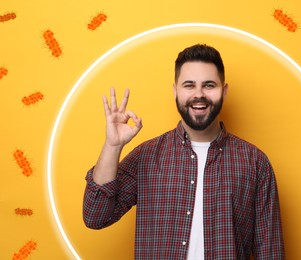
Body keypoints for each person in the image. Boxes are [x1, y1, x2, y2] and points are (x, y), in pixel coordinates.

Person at [83, 43, 285, 259]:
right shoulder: (147, 156)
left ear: (224, 91)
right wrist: (113, 146)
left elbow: (270, 252)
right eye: (189, 85)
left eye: (209, 85)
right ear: (175, 91)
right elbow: (95, 217)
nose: (199, 94)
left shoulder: (255, 163)